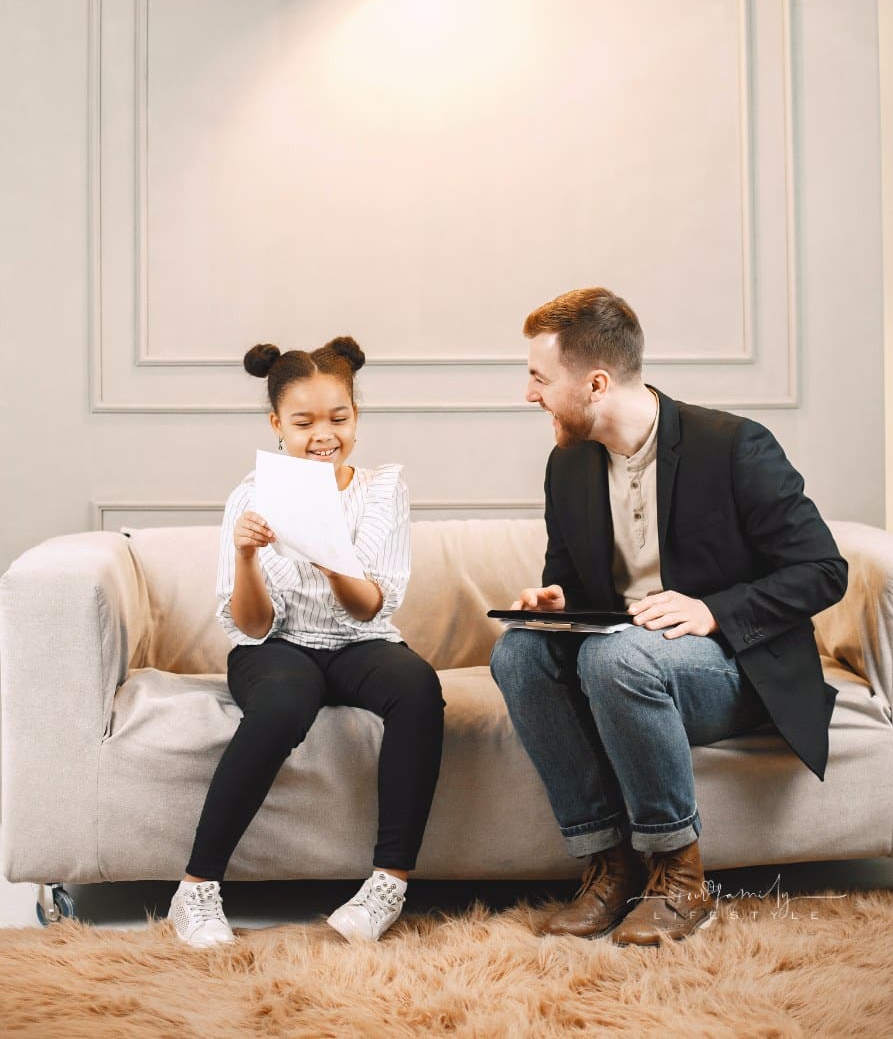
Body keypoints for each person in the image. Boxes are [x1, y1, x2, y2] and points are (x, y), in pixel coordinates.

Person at [490, 288, 847, 947]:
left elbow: (824, 570)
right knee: (516, 652)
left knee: (613, 656)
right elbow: (569, 575)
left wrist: (713, 610)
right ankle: (609, 866)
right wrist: (557, 601)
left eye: (540, 378)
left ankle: (682, 879)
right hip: (625, 657)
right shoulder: (566, 464)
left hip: (734, 670)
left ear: (595, 383)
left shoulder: (734, 446)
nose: (529, 394)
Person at [166, 336, 445, 949]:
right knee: (284, 704)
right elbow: (254, 626)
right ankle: (195, 890)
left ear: (356, 418)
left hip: (359, 638)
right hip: (279, 645)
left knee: (418, 688)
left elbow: (370, 604)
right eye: (304, 422)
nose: (325, 434)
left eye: (339, 418)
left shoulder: (380, 491)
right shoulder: (251, 497)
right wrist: (245, 556)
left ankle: (386, 885)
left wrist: (326, 551)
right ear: (276, 425)